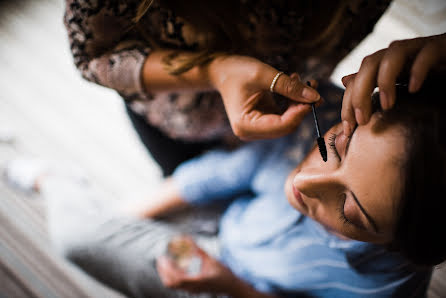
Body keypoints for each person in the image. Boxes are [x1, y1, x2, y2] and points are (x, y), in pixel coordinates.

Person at [6, 31, 446, 296]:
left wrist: (231, 287)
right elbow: (216, 176)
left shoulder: (384, 290)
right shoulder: (323, 113)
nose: (304, 181)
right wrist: (121, 222)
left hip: (232, 285)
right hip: (224, 223)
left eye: (351, 213)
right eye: (335, 145)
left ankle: (51, 178)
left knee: (75, 239)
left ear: (397, 247)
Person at [64, 0, 392, 176]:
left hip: (273, 126)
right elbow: (93, 55)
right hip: (173, 116)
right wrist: (216, 71)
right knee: (178, 176)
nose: (306, 181)